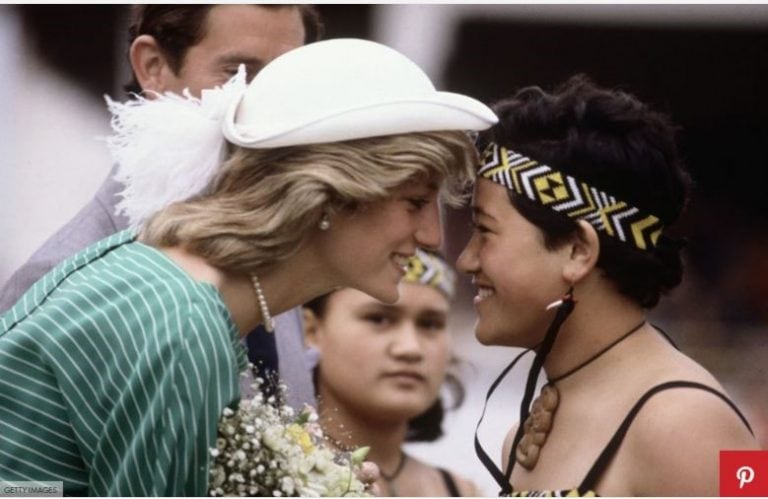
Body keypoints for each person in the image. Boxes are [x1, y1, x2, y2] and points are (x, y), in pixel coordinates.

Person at [0, 38, 496, 496]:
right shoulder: (181, 325)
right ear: (329, 194)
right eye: (414, 202)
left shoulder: (179, 288)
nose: (433, 236)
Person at [0, 4, 322, 409]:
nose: (272, 108)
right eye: (239, 73)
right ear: (152, 66)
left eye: (287, 81)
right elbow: (20, 474)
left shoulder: (282, 256)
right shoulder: (60, 282)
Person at [459, 75, 758, 496]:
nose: (465, 259)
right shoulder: (523, 438)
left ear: (579, 250)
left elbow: (747, 481)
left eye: (485, 231)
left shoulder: (691, 424)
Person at [303, 250, 480, 497]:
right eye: (379, 319)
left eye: (430, 324)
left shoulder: (461, 491)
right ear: (310, 330)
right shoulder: (275, 470)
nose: (410, 348)